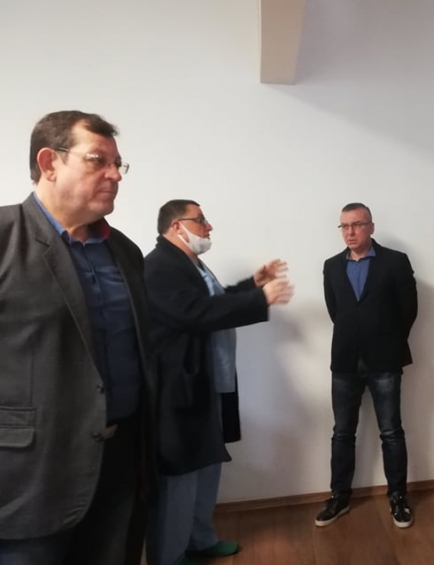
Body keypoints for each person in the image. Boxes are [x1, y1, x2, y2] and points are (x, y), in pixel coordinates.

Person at [0, 110, 155, 565]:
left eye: (117, 164)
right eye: (97, 160)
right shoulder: (5, 238)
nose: (114, 175)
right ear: (49, 163)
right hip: (29, 477)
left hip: (120, 464)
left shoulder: (124, 251)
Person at [144, 200, 293, 565]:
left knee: (208, 465)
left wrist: (252, 285)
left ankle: (200, 540)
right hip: (180, 389)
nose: (208, 226)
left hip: (209, 382)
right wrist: (260, 298)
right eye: (200, 220)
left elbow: (215, 301)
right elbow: (195, 313)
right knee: (181, 476)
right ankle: (170, 556)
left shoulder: (189, 263)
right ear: (177, 226)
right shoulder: (159, 266)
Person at [317, 202, 418, 529]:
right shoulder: (332, 266)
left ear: (371, 227)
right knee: (342, 432)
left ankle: (398, 497)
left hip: (385, 359)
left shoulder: (395, 262)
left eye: (357, 225)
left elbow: (409, 310)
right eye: (344, 226)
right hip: (345, 360)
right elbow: (336, 311)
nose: (350, 232)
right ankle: (339, 497)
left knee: (391, 431)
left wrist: (386, 340)